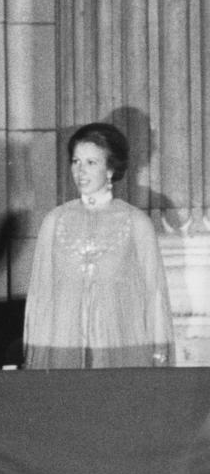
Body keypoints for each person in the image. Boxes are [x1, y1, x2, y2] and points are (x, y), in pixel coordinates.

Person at [23, 122, 175, 369]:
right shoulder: (55, 221)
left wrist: (159, 357)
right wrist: (35, 358)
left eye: (91, 163)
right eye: (76, 162)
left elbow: (154, 294)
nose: (80, 171)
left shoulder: (136, 222)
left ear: (110, 169)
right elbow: (41, 296)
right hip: (63, 352)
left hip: (122, 350)